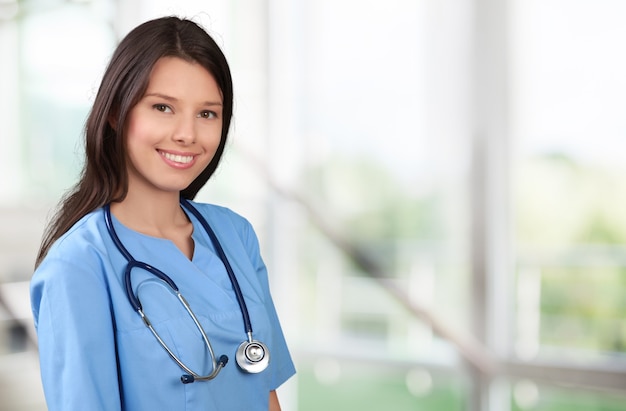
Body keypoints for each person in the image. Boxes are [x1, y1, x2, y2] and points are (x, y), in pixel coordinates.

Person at [30, 16, 296, 410]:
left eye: (207, 114)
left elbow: (264, 390)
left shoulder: (235, 235)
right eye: (163, 107)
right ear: (117, 113)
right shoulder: (79, 266)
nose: (187, 133)